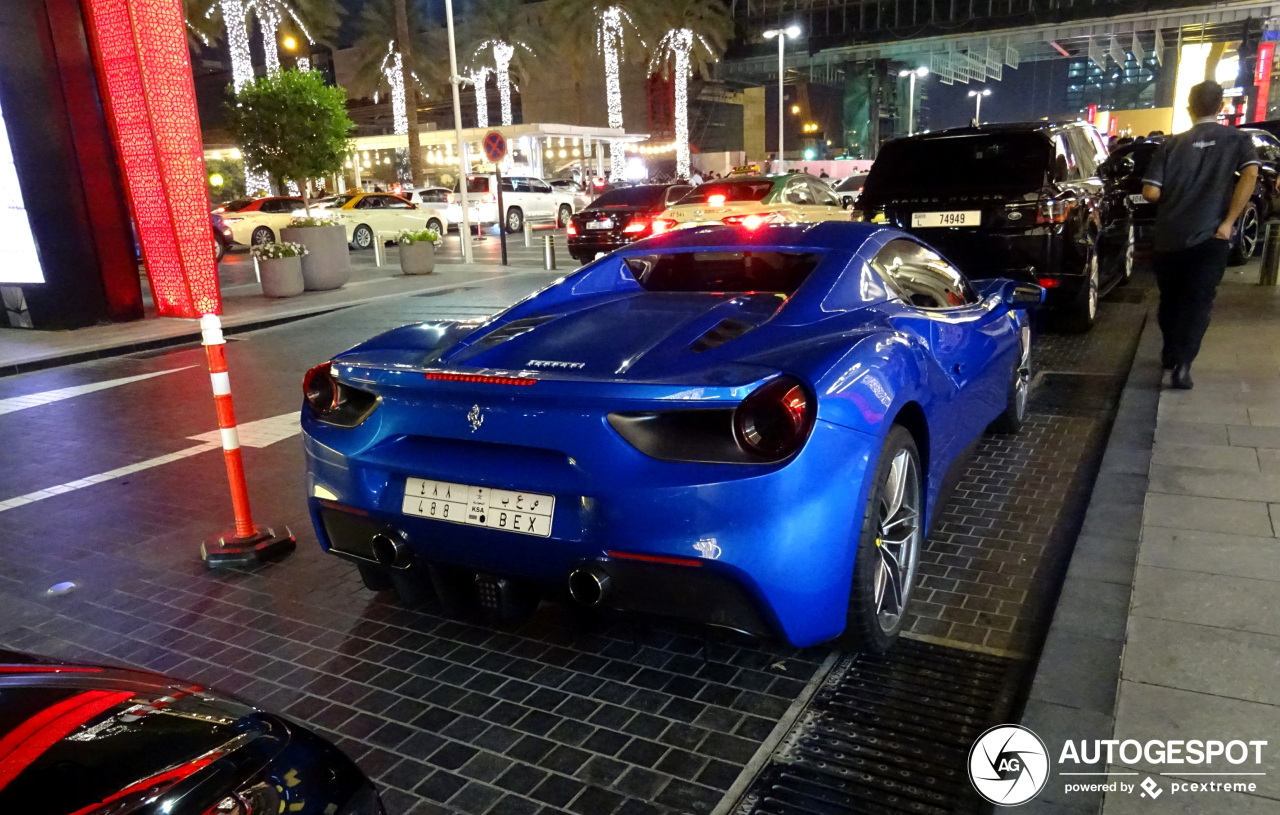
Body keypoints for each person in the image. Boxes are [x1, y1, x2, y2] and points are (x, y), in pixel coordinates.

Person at [1142, 81, 1260, 389]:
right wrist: (1229, 222)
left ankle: (1170, 351)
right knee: (1198, 301)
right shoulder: (1237, 139)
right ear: (1221, 107)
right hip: (1211, 235)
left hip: (1168, 235)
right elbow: (1250, 173)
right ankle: (1182, 363)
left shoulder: (1170, 144)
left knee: (1170, 298)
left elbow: (1151, 191)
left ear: (1189, 108)